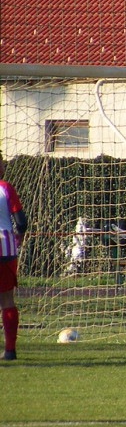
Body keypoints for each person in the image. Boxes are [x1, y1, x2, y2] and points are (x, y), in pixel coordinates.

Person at [0, 152, 27, 361]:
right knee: (7, 299)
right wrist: (19, 235)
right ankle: (9, 350)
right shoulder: (6, 188)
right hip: (5, 249)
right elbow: (21, 220)